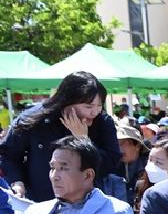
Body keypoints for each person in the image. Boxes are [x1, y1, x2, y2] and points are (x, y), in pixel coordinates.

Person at [1, 72, 121, 203]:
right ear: (67, 102)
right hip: (39, 200)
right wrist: (17, 181)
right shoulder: (35, 119)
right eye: (88, 106)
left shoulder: (103, 122)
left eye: (99, 106)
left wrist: (84, 140)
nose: (94, 112)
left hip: (87, 204)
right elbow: (8, 155)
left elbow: (111, 163)